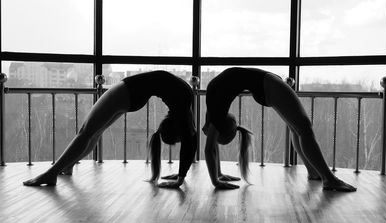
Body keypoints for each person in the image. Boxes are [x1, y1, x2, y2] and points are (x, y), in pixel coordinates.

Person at [23, 71, 197, 188]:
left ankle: (51, 173)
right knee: (93, 133)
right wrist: (181, 176)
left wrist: (181, 178)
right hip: (133, 96)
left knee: (86, 132)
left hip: (129, 92)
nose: (182, 137)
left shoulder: (184, 105)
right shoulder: (183, 110)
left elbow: (190, 140)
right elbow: (191, 139)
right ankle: (67, 167)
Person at [203, 67, 356, 192]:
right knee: (304, 129)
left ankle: (315, 173)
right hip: (268, 84)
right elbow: (211, 148)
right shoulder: (215, 112)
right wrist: (217, 178)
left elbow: (210, 148)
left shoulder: (215, 114)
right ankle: (329, 179)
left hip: (265, 86)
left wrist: (217, 177)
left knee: (298, 129)